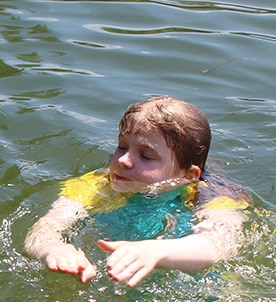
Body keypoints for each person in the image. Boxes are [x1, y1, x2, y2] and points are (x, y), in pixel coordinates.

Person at [24, 96, 249, 287]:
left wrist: (156, 251)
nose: (123, 160)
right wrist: (54, 250)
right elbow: (46, 227)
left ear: (188, 175)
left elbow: (217, 246)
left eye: (146, 156)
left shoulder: (215, 195)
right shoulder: (97, 184)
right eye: (122, 146)